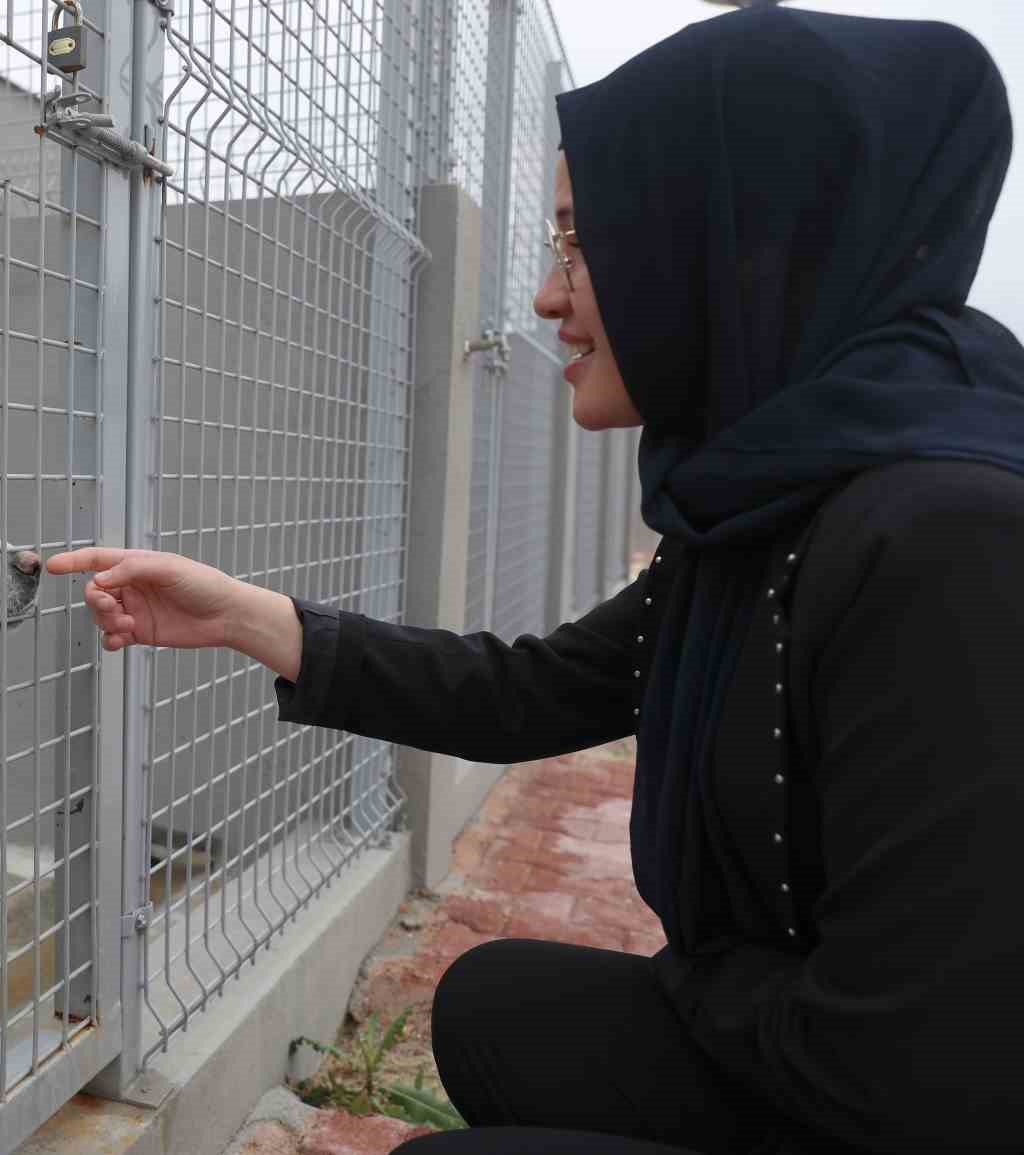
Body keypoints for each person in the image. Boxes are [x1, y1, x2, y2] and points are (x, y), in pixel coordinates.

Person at [49, 7, 1024, 1153]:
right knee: (492, 1006)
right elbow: (542, 689)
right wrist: (249, 619)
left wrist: (704, 984)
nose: (545, 299)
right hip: (811, 1040)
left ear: (730, 244)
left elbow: (924, 1076)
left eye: (580, 244)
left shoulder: (951, 544)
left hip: (910, 1108)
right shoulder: (771, 496)